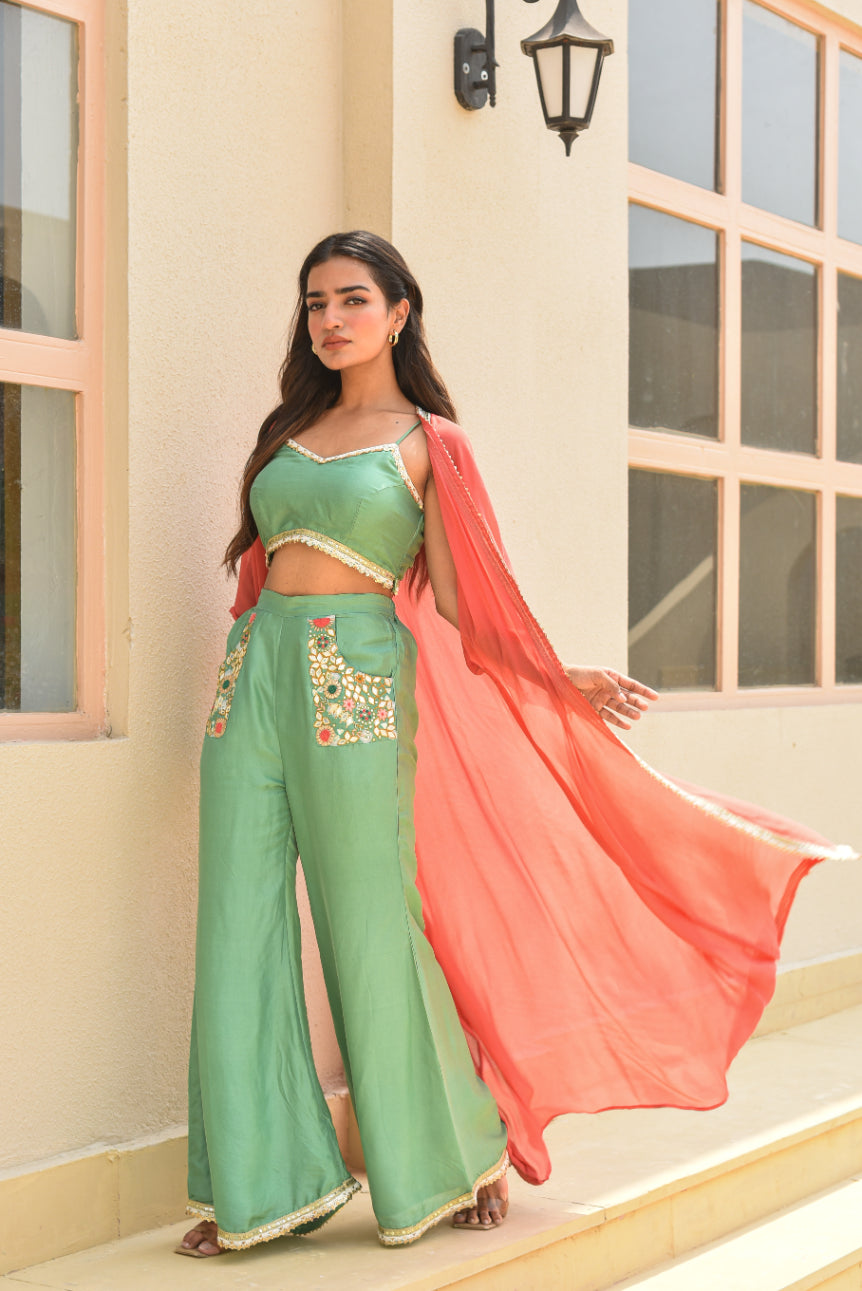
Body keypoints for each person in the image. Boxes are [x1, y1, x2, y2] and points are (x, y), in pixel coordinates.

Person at [177, 231, 853, 1258]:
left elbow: (462, 597)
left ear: (399, 312)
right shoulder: (289, 430)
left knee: (370, 919)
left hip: (352, 676)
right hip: (250, 680)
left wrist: (555, 673)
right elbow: (259, 573)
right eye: (315, 302)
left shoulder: (426, 441)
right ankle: (256, 1189)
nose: (329, 319)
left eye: (351, 299)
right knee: (236, 922)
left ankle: (452, 1151)